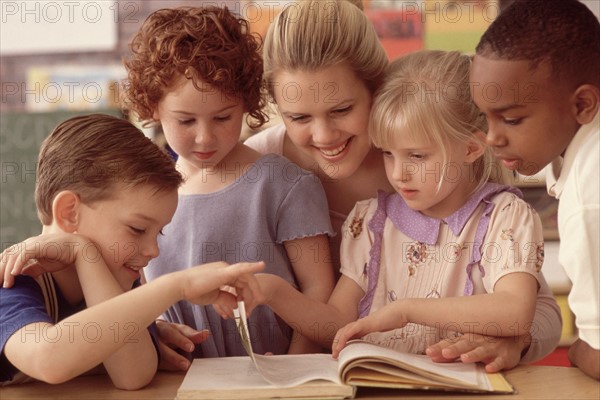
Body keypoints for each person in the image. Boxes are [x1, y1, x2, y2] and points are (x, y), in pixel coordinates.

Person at [254, 49, 562, 372]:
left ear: (471, 148)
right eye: (388, 153)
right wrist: (274, 292)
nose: (398, 174)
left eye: (417, 156)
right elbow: (337, 327)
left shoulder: (504, 217)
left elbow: (515, 311)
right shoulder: (371, 221)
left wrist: (407, 311)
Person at [121, 5, 335, 364]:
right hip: (179, 378)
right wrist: (157, 331)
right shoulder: (144, 195)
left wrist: (295, 368)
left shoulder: (284, 185)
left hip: (277, 374)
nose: (205, 138)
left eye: (223, 117)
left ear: (247, 103)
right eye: (186, 120)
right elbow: (139, 291)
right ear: (154, 106)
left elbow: (319, 290)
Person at [0, 114, 265, 388]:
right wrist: (178, 285)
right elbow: (49, 361)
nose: (153, 251)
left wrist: (84, 254)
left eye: (158, 232)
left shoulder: (120, 284)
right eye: (137, 229)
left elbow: (133, 375)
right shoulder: (13, 281)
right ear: (70, 213)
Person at [470, 0, 600, 380]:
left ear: (582, 104)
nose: (492, 137)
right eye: (485, 116)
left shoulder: (588, 197)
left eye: (511, 119)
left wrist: (578, 351)